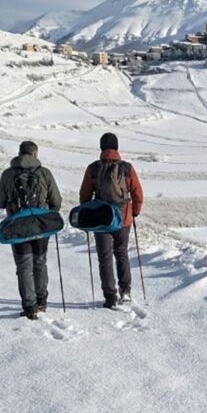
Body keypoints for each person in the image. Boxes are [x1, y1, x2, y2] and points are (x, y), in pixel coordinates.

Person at [0, 141, 62, 320]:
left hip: (18, 226)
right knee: (40, 262)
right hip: (40, 224)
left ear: (19, 154)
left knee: (24, 266)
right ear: (35, 154)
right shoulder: (44, 172)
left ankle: (30, 307)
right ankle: (42, 301)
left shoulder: (8, 174)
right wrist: (44, 214)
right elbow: (56, 202)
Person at [79, 132, 144, 309]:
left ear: (101, 148)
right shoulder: (127, 168)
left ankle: (110, 297)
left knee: (104, 258)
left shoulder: (93, 168)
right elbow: (137, 192)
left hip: (101, 220)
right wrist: (135, 212)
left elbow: (84, 195)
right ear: (116, 147)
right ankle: (126, 291)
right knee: (121, 253)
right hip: (123, 218)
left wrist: (87, 214)